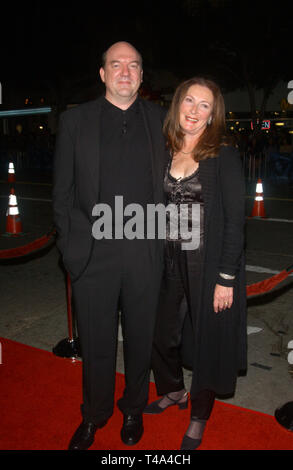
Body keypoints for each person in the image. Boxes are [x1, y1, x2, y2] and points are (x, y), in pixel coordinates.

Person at [53, 41, 168, 450]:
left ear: (141, 75)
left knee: (140, 341)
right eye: (116, 65)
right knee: (97, 343)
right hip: (92, 256)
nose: (125, 71)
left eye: (133, 65)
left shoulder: (161, 120)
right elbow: (62, 195)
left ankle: (134, 408)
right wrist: (72, 252)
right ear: (102, 74)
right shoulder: (75, 122)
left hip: (145, 251)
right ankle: (94, 415)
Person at [144, 77, 247, 450]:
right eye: (189, 100)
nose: (194, 110)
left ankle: (199, 415)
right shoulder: (163, 149)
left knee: (207, 341)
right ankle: (173, 390)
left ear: (213, 115)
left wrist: (226, 276)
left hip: (207, 265)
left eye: (205, 105)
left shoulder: (224, 156)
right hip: (165, 258)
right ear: (178, 105)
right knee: (160, 333)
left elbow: (236, 220)